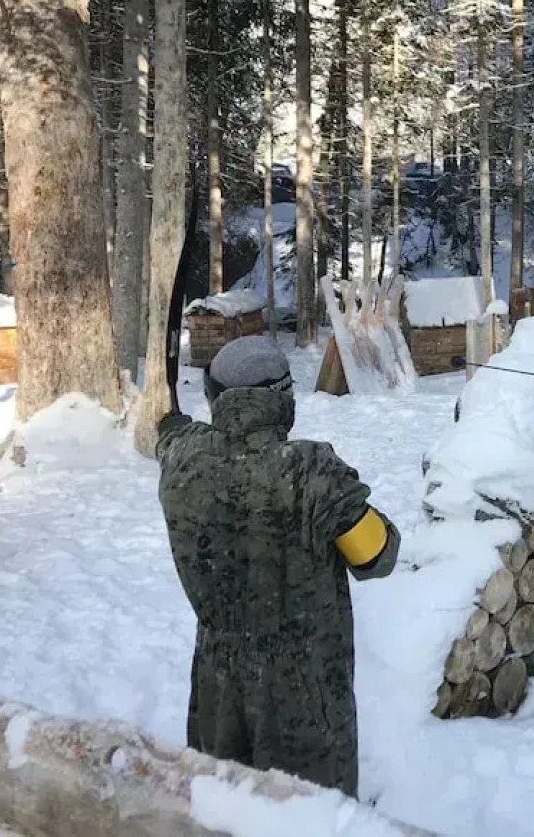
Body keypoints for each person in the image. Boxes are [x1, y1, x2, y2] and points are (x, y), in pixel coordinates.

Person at [156, 335, 400, 795]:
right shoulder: (311, 473)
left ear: (213, 399)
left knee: (222, 809)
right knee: (309, 816)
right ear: (284, 400)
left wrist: (171, 423)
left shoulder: (182, 462)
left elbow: (172, 436)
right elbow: (377, 556)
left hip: (216, 692)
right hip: (303, 699)